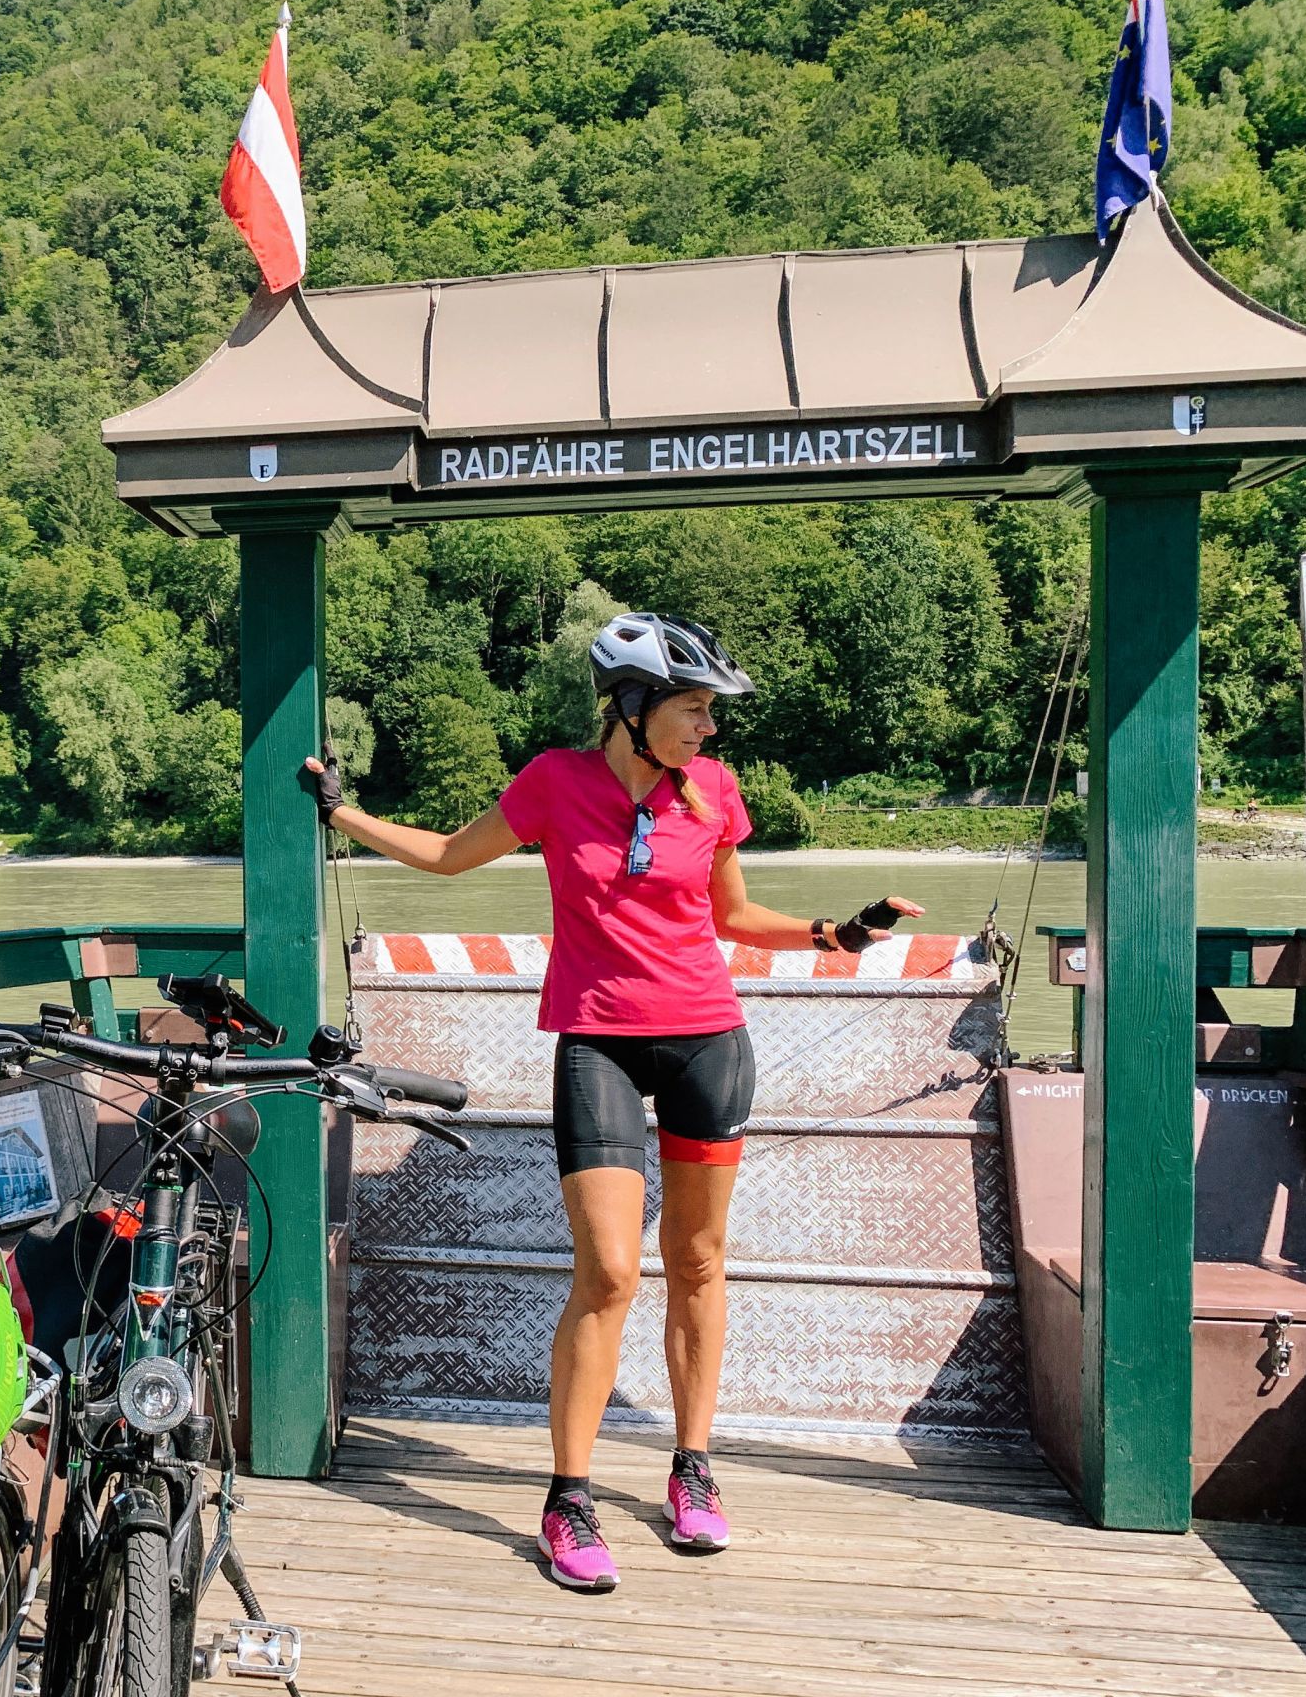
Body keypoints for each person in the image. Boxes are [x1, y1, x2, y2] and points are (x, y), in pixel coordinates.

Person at [304, 613, 920, 1593]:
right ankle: (568, 1498)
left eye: (709, 712)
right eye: (692, 710)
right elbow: (449, 858)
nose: (707, 730)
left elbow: (732, 917)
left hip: (707, 1045)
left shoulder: (713, 792)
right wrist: (343, 816)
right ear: (631, 708)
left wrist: (835, 933)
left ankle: (691, 1469)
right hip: (596, 1044)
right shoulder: (555, 782)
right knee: (605, 1273)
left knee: (697, 1262)